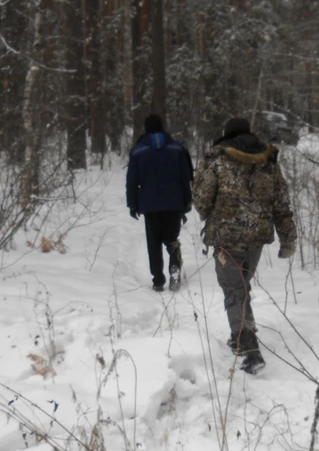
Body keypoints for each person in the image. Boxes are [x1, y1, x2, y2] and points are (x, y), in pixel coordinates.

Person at [193, 117, 297, 374]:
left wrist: (206, 206)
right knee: (240, 286)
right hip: (256, 238)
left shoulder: (216, 160)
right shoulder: (268, 161)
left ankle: (249, 348)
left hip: (227, 237)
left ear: (225, 135)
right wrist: (288, 239)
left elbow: (203, 202)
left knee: (233, 289)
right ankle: (240, 332)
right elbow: (281, 203)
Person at [126, 114, 194, 292]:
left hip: (149, 204)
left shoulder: (138, 151)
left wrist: (132, 203)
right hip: (174, 201)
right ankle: (175, 270)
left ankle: (158, 280)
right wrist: (187, 201)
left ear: (145, 128)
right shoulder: (177, 149)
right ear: (163, 127)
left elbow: (132, 180)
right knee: (172, 239)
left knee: (153, 242)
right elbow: (186, 178)